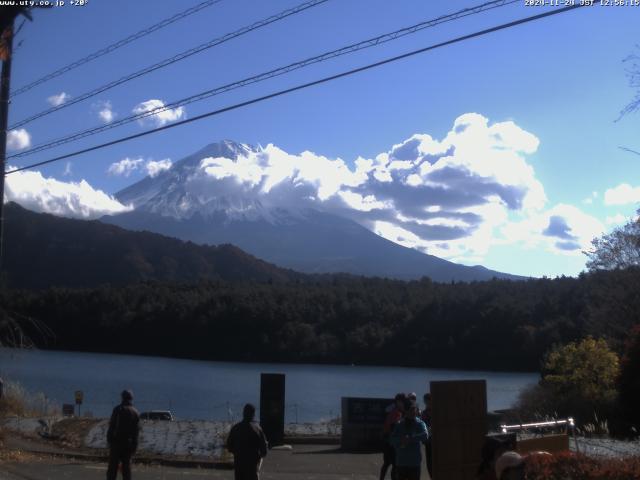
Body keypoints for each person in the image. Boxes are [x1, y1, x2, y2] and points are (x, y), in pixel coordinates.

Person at [226, 403, 268, 480]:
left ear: (243, 413)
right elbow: (264, 449)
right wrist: (259, 456)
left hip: (239, 463)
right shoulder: (257, 429)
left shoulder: (236, 428)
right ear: (253, 414)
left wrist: (237, 452)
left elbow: (229, 446)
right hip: (252, 465)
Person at [390, 399, 429, 480]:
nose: (413, 412)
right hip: (401, 462)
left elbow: (425, 435)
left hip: (414, 463)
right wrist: (401, 440)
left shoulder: (419, 423)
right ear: (405, 410)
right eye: (410, 409)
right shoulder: (399, 424)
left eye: (414, 409)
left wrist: (410, 438)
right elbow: (392, 439)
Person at [106, 390, 140, 480]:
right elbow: (136, 432)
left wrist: (109, 440)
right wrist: (134, 446)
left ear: (122, 397)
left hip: (116, 443)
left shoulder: (117, 409)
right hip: (128, 444)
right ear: (131, 398)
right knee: (126, 470)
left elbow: (112, 426)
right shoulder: (135, 412)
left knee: (112, 469)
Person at [380, 393, 406, 480]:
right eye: (403, 401)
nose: (404, 403)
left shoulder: (393, 410)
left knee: (388, 463)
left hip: (387, 440)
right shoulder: (396, 412)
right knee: (394, 464)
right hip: (391, 441)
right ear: (398, 401)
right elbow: (393, 428)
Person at [421, 393, 433, 479]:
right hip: (428, 441)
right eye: (425, 401)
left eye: (427, 400)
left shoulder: (436, 411)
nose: (426, 402)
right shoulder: (424, 413)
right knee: (429, 463)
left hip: (437, 441)